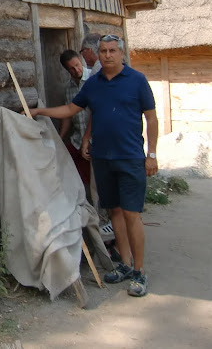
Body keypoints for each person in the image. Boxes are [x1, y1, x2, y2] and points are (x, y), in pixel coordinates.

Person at [29, 34, 158, 297]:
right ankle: (124, 263)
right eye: (103, 51)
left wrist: (152, 154)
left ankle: (140, 271)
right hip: (102, 158)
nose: (107, 55)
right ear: (96, 54)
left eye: (112, 50)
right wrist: (39, 112)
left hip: (131, 157)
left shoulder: (137, 81)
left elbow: (152, 119)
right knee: (115, 213)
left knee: (132, 213)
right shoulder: (93, 84)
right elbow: (70, 109)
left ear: (121, 53)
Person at [57, 49, 91, 189]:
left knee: (96, 180)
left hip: (94, 139)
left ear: (81, 60)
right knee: (72, 174)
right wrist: (60, 137)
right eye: (71, 68)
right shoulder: (69, 88)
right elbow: (68, 115)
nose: (76, 70)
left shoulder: (93, 80)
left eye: (77, 65)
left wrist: (87, 139)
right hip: (77, 139)